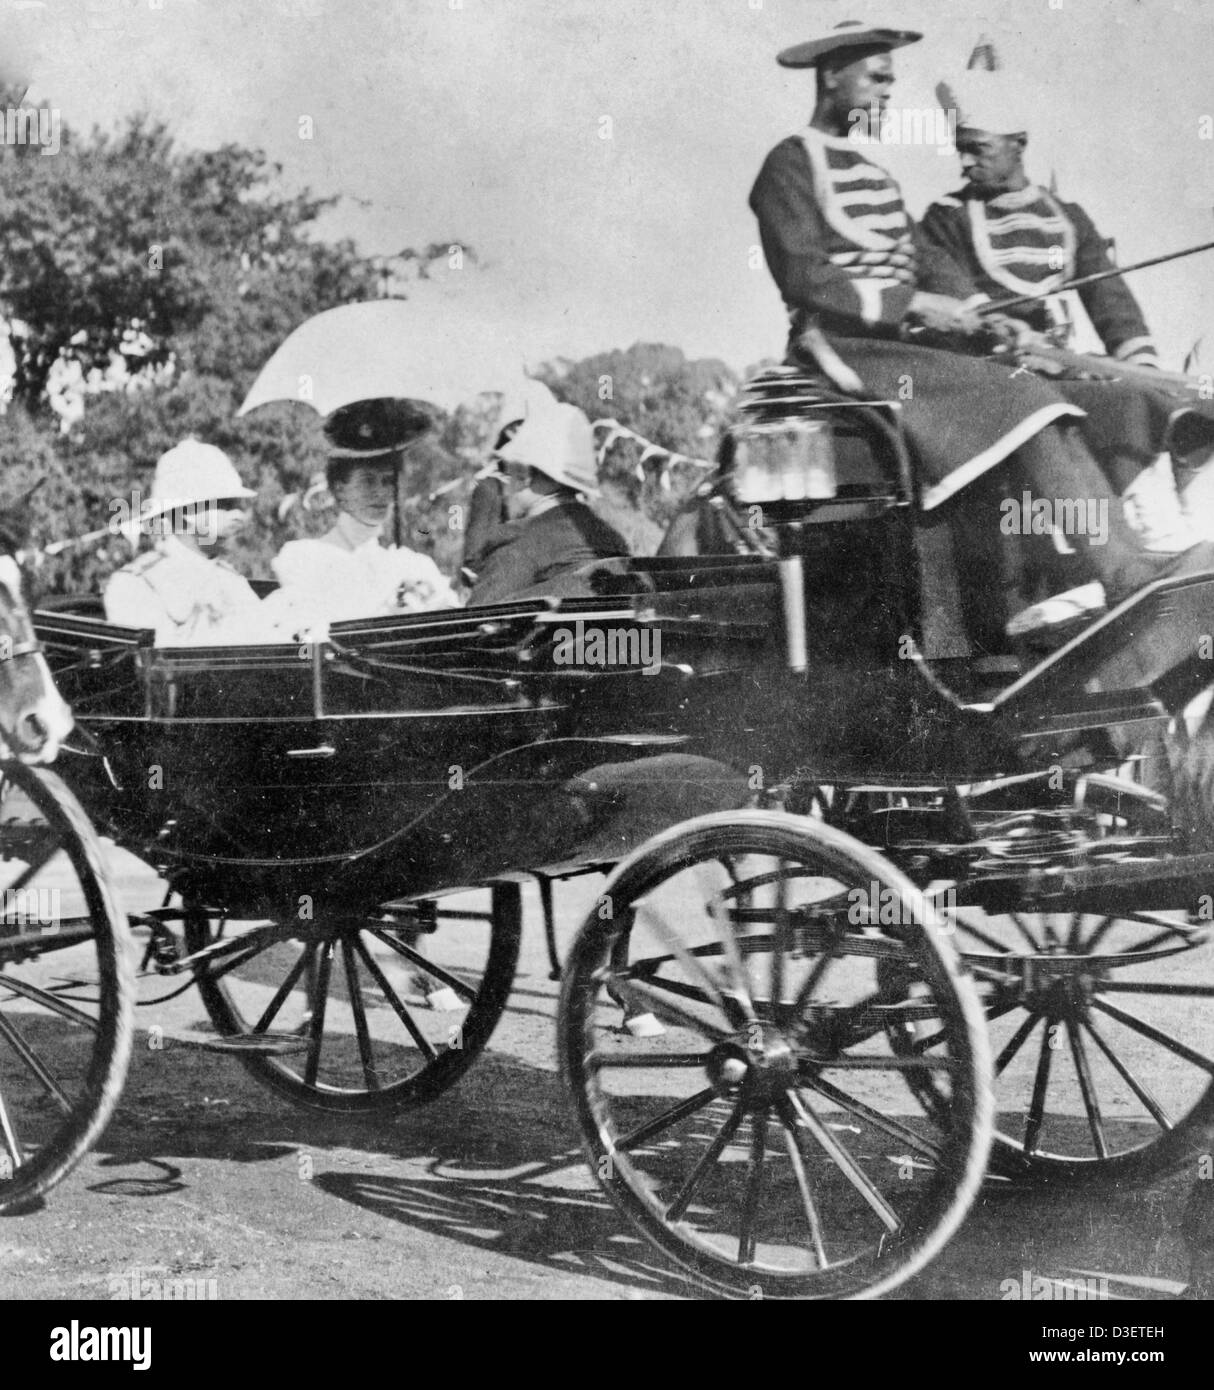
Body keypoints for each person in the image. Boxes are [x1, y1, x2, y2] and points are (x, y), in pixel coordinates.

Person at [747, 20, 1214, 618]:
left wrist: (984, 319)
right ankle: (1123, 573)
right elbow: (805, 276)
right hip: (839, 349)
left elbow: (929, 266)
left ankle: (1118, 566)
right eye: (876, 78)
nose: (888, 92)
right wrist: (914, 305)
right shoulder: (788, 164)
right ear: (832, 74)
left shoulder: (882, 180)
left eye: (891, 81)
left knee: (1056, 400)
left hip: (904, 351)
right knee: (1017, 396)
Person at [921, 60, 1214, 554]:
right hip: (994, 372)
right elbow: (944, 283)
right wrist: (1005, 331)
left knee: (1170, 402)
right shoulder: (945, 218)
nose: (965, 164)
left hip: (1060, 367)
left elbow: (1111, 303)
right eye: (961, 152)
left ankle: (1194, 540)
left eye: (978, 150)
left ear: (1018, 144)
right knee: (1122, 405)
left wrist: (1140, 366)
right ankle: (1153, 542)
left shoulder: (1068, 218)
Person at [266, 398, 458, 633]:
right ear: (339, 488)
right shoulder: (306, 559)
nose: (381, 493)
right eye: (367, 481)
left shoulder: (411, 565)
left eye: (388, 481)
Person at [103, 440, 277, 646]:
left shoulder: (231, 580)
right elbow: (162, 667)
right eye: (225, 504)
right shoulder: (137, 585)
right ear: (185, 512)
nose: (238, 515)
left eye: (237, 505)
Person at [466, 397, 629, 606]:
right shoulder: (614, 541)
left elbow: (471, 627)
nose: (504, 488)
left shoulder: (517, 543)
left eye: (506, 471)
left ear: (524, 474)